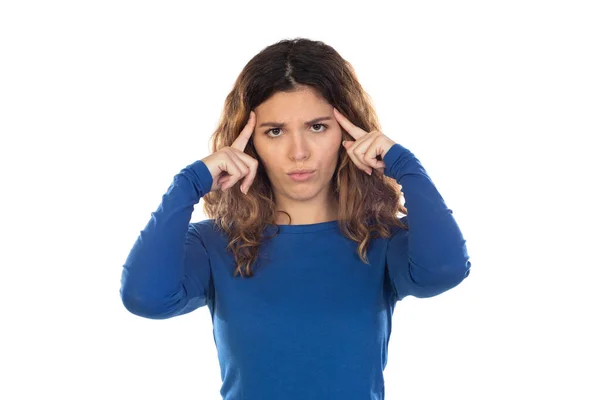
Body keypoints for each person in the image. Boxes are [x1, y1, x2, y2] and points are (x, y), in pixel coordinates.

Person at [119, 37, 471, 400]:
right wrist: (188, 184)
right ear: (250, 143)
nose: (298, 152)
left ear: (349, 134)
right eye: (275, 131)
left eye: (317, 127)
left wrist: (406, 166)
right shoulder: (214, 243)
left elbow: (444, 270)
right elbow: (145, 298)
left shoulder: (380, 238)